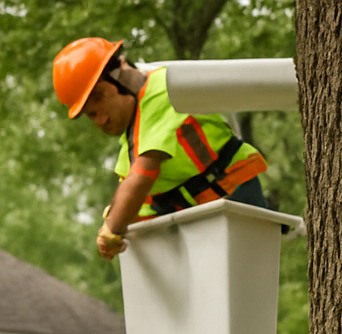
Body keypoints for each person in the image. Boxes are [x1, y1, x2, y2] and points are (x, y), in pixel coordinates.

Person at [52, 37, 271, 260]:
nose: (99, 121)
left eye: (97, 107)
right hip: (202, 219)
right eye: (91, 116)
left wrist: (112, 229)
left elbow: (142, 177)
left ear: (113, 83)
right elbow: (137, 202)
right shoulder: (133, 139)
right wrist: (117, 220)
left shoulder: (163, 92)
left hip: (234, 200)